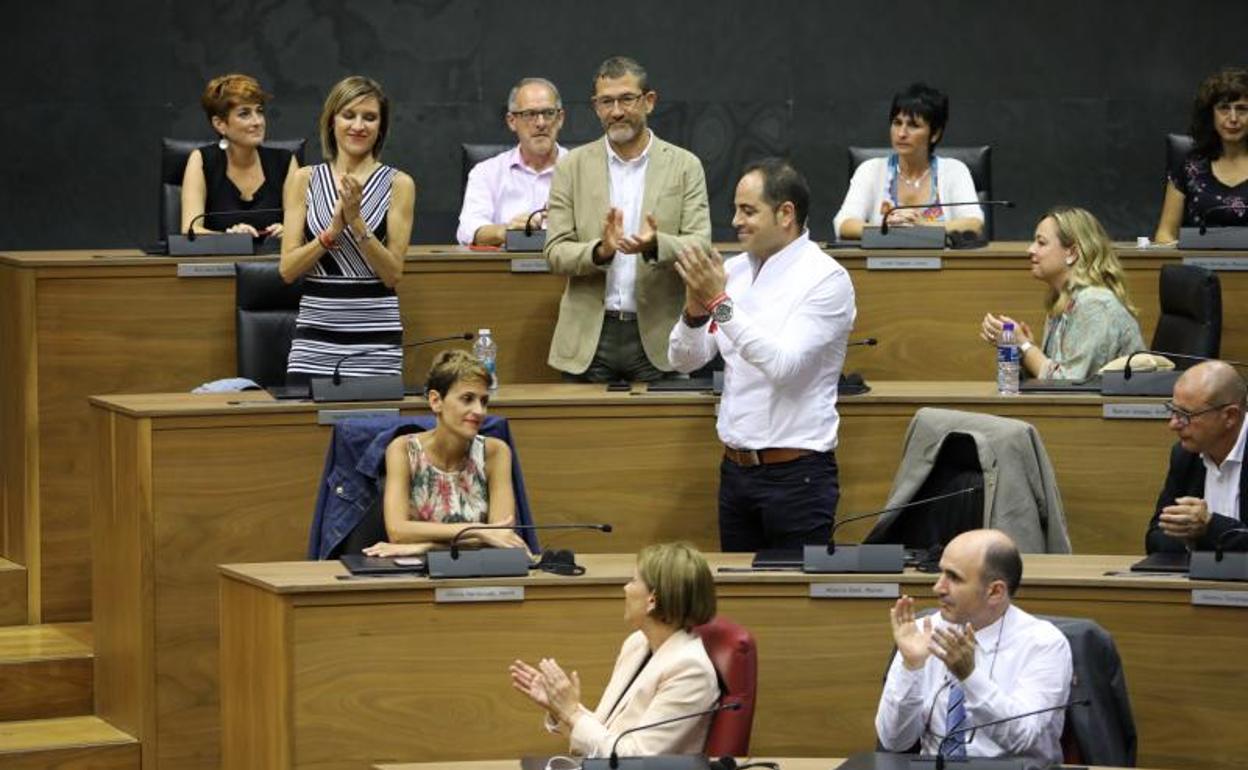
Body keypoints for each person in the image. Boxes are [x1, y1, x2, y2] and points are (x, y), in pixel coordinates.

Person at [668, 159, 856, 552]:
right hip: (735, 472)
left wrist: (718, 301)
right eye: (736, 209)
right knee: (740, 603)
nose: (735, 220)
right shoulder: (733, 272)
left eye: (748, 210)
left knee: (795, 607)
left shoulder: (826, 279)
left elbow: (782, 366)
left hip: (798, 477)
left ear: (786, 213)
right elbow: (683, 361)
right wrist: (693, 311)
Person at [544, 55, 712, 383]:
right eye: (606, 102)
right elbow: (554, 252)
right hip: (589, 338)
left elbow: (700, 245)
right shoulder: (572, 166)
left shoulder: (684, 165)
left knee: (663, 435)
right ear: (595, 107)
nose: (616, 111)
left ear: (649, 102)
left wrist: (656, 245)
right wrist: (599, 251)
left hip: (660, 335)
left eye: (626, 99)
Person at [876, 529, 1072, 766]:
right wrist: (911, 667)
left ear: (995, 592)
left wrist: (969, 677)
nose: (938, 587)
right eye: (941, 573)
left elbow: (1022, 738)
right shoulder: (924, 633)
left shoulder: (1044, 644)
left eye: (954, 578)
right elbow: (894, 741)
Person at [510, 542, 718, 758]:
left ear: (652, 599)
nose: (625, 588)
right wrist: (559, 708)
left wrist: (571, 712)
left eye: (634, 580)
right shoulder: (637, 644)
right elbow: (606, 732)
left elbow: (636, 758)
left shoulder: (691, 670)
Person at [279, 76, 416, 384]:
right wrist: (331, 232)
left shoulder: (399, 184)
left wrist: (356, 223)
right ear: (332, 121)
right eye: (349, 115)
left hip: (374, 342)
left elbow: (393, 274)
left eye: (370, 117)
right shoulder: (304, 179)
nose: (359, 126)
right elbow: (287, 270)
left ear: (381, 127)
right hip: (314, 339)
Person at [362, 350, 527, 557]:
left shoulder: (495, 452)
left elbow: (501, 537)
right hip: (417, 575)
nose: (479, 411)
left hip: (478, 572)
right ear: (435, 401)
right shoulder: (402, 449)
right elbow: (397, 532)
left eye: (484, 401)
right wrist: (478, 531)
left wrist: (427, 546)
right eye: (467, 399)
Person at [980, 207, 1144, 381]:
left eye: (1041, 243)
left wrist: (1025, 346)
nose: (1030, 249)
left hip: (1114, 408)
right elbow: (1051, 379)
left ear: (1072, 253)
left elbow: (1068, 385)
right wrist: (1019, 349)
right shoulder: (1062, 300)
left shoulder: (1095, 304)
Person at [834, 83, 984, 240]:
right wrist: (888, 228)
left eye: (913, 125)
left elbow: (974, 224)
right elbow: (844, 223)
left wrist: (924, 226)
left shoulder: (954, 170)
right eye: (897, 123)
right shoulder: (870, 169)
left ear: (935, 133)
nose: (901, 133)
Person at [1146, 360, 1248, 553]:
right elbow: (1156, 535)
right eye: (1173, 411)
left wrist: (1210, 526)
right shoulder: (1185, 456)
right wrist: (1185, 538)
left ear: (1230, 416)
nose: (1173, 424)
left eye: (1185, 414)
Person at [181, 73, 298, 238]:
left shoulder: (284, 162)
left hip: (274, 261)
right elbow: (190, 230)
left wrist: (288, 231)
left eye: (259, 111)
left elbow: (300, 227)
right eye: (245, 114)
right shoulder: (202, 160)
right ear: (220, 124)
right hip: (220, 262)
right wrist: (231, 239)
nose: (258, 121)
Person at [456, 77, 568, 247]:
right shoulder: (486, 173)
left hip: (567, 270)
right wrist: (506, 231)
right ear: (512, 121)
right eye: (529, 114)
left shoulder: (584, 170)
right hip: (503, 271)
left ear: (560, 119)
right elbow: (468, 231)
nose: (541, 123)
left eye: (548, 113)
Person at [1154, 68, 1248, 244]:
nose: (1233, 118)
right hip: (1197, 268)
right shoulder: (1189, 164)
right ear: (1210, 115)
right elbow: (1165, 234)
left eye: (1242, 109)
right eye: (1224, 108)